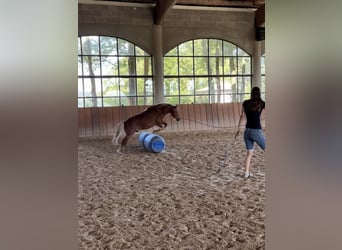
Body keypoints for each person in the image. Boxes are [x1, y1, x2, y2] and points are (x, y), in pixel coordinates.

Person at [235, 86, 265, 178]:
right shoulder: (262, 103)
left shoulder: (245, 103)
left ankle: (246, 173)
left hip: (247, 132)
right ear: (259, 93)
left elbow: (242, 116)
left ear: (251, 93)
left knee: (249, 154)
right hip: (256, 131)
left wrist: (238, 129)